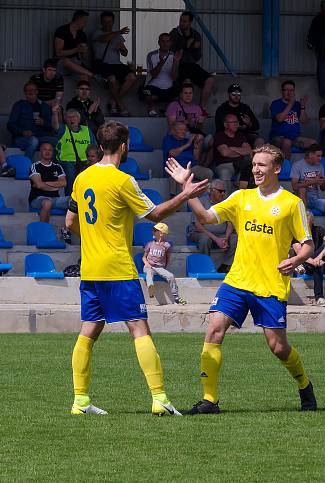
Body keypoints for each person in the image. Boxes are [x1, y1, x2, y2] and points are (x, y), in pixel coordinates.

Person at [64, 120, 208, 416]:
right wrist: (186, 195)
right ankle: (159, 398)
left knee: (88, 331)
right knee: (139, 329)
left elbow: (69, 222)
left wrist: (94, 235)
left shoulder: (82, 178)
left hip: (90, 268)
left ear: (100, 146)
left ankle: (80, 400)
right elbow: (155, 214)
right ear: (125, 145)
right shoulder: (123, 181)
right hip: (117, 268)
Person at [183, 144, 317, 414]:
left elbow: (307, 244)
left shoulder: (292, 204)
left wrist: (297, 259)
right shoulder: (241, 197)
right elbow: (206, 217)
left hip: (270, 285)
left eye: (262, 165)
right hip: (237, 280)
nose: (256, 169)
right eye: (254, 164)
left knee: (278, 347)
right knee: (214, 329)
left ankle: (304, 384)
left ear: (276, 168)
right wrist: (188, 191)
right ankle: (210, 401)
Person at [187, 179, 238, 273]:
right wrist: (216, 239)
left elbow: (230, 224)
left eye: (224, 191)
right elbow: (198, 226)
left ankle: (225, 265)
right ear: (211, 190)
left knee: (235, 238)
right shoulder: (201, 202)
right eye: (220, 191)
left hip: (221, 235)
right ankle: (204, 266)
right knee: (205, 239)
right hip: (201, 232)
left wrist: (226, 238)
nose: (222, 194)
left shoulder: (226, 203)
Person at [92, 11, 137, 116]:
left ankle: (114, 101)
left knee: (132, 77)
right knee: (112, 80)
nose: (107, 24)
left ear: (113, 22)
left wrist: (122, 49)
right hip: (102, 64)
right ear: (101, 22)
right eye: (105, 22)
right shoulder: (97, 33)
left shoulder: (118, 36)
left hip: (116, 64)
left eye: (109, 22)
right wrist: (119, 32)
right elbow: (104, 39)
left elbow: (125, 53)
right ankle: (120, 105)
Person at [169, 11, 215, 111]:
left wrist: (195, 49)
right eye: (181, 21)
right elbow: (172, 53)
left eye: (185, 21)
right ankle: (186, 110)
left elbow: (197, 57)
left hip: (191, 64)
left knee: (210, 80)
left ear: (190, 22)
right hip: (178, 65)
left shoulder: (196, 35)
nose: (181, 23)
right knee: (187, 82)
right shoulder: (174, 34)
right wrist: (186, 46)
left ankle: (201, 108)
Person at [291, 144, 325, 232]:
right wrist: (313, 181)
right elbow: (294, 186)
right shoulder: (298, 165)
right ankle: (305, 216)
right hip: (301, 199)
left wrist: (322, 182)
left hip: (315, 198)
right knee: (302, 189)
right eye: (318, 156)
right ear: (310, 154)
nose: (320, 158)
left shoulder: (320, 166)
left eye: (321, 156)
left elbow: (323, 188)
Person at [8, 82, 60, 160]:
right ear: (25, 93)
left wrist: (43, 123)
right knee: (33, 141)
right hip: (22, 138)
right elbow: (10, 125)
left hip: (40, 137)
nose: (31, 92)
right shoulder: (19, 105)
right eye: (28, 90)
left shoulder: (44, 106)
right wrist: (23, 132)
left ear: (37, 92)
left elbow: (51, 126)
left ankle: (52, 167)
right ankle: (26, 167)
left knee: (57, 142)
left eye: (34, 90)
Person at [294, 213, 325, 307]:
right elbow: (298, 251)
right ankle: (320, 298)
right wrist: (314, 261)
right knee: (317, 266)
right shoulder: (297, 233)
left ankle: (302, 266)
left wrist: (319, 257)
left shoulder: (318, 229)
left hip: (318, 261)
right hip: (307, 262)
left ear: (312, 222)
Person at [162, 121, 212, 195]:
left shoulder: (188, 140)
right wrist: (188, 144)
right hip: (176, 168)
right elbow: (172, 153)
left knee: (209, 173)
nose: (184, 132)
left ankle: (208, 195)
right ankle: (174, 198)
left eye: (185, 130)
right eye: (181, 130)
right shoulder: (168, 139)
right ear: (173, 131)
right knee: (175, 178)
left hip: (191, 167)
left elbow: (196, 158)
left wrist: (196, 147)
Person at [143, 222, 186, 305]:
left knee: (170, 276)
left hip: (159, 267)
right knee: (149, 273)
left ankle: (176, 296)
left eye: (155, 230)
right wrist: (146, 263)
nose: (153, 232)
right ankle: (150, 288)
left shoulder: (167, 245)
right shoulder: (150, 244)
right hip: (149, 266)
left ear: (161, 233)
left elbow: (168, 258)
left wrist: (163, 268)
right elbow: (144, 257)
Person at [56, 109, 96, 196]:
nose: (71, 119)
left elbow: (94, 147)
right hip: (66, 161)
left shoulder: (87, 130)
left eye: (73, 117)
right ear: (65, 120)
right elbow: (55, 125)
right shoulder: (63, 129)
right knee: (70, 174)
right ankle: (70, 199)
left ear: (78, 119)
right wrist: (55, 113)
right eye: (68, 117)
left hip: (85, 162)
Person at [269, 80, 313, 159]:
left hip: (295, 137)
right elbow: (280, 119)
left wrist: (302, 107)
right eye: (286, 90)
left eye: (291, 90)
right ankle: (286, 168)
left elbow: (304, 121)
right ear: (282, 91)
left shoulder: (297, 105)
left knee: (313, 144)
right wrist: (291, 103)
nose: (289, 93)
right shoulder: (276, 103)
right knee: (287, 142)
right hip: (278, 137)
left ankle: (308, 168)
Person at [142, 33, 180, 116]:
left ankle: (167, 109)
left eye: (167, 41)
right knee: (147, 93)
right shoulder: (151, 55)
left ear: (171, 43)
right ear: (159, 42)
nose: (165, 44)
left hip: (169, 87)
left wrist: (175, 62)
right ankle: (151, 110)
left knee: (181, 93)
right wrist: (161, 63)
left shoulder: (174, 56)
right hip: (154, 86)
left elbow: (174, 77)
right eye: (163, 41)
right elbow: (154, 75)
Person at [29, 142, 67, 222]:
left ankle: (67, 230)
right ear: (40, 152)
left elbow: (64, 183)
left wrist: (45, 183)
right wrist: (55, 186)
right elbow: (39, 185)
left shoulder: (57, 167)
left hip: (56, 199)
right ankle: (44, 230)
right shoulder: (35, 166)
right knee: (47, 203)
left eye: (50, 150)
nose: (47, 152)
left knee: (74, 201)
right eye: (45, 149)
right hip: (38, 199)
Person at [213, 113, 252, 187]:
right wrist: (241, 152)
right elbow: (225, 153)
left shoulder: (240, 135)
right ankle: (227, 197)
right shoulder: (220, 135)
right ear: (225, 124)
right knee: (225, 172)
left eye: (237, 122)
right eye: (233, 122)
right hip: (224, 164)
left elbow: (249, 150)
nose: (236, 124)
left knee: (249, 164)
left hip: (240, 164)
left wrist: (231, 148)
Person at [54, 10, 94, 80]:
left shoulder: (82, 34)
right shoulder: (62, 30)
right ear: (78, 20)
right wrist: (76, 49)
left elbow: (83, 58)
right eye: (85, 21)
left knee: (84, 77)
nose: (86, 24)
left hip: (76, 63)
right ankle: (93, 75)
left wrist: (84, 51)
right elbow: (58, 53)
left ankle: (82, 86)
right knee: (66, 61)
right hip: (61, 63)